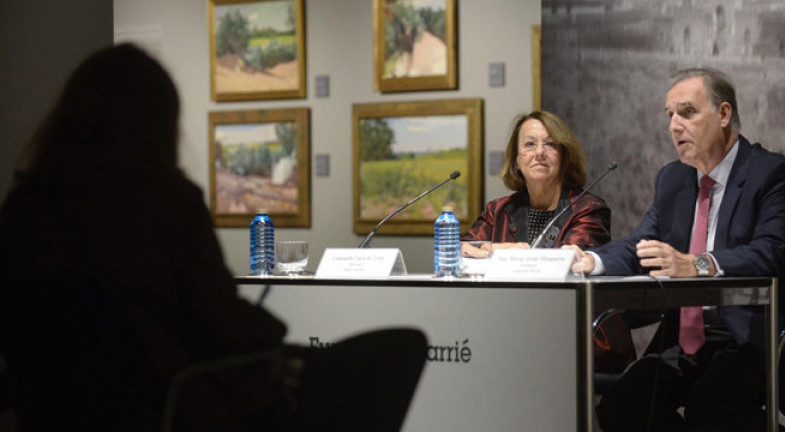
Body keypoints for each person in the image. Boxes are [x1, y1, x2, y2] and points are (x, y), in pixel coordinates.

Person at [0, 43, 426, 432]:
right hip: (173, 408)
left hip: (54, 415)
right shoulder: (166, 202)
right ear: (158, 123)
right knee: (389, 355)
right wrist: (273, 331)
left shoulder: (24, 207)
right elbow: (221, 318)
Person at [567, 68, 785, 431]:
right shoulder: (673, 179)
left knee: (711, 409)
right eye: (669, 116)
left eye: (687, 112)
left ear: (723, 114)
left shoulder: (774, 174)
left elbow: (773, 252)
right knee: (623, 405)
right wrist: (590, 260)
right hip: (690, 340)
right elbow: (640, 245)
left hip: (759, 336)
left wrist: (698, 264)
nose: (675, 126)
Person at [462, 110, 636, 372]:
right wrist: (500, 249)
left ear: (564, 158)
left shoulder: (588, 209)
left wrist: (489, 254)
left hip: (577, 334)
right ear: (517, 160)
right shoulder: (497, 210)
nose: (539, 152)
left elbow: (565, 264)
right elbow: (456, 251)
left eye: (550, 144)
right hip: (510, 329)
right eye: (530, 144)